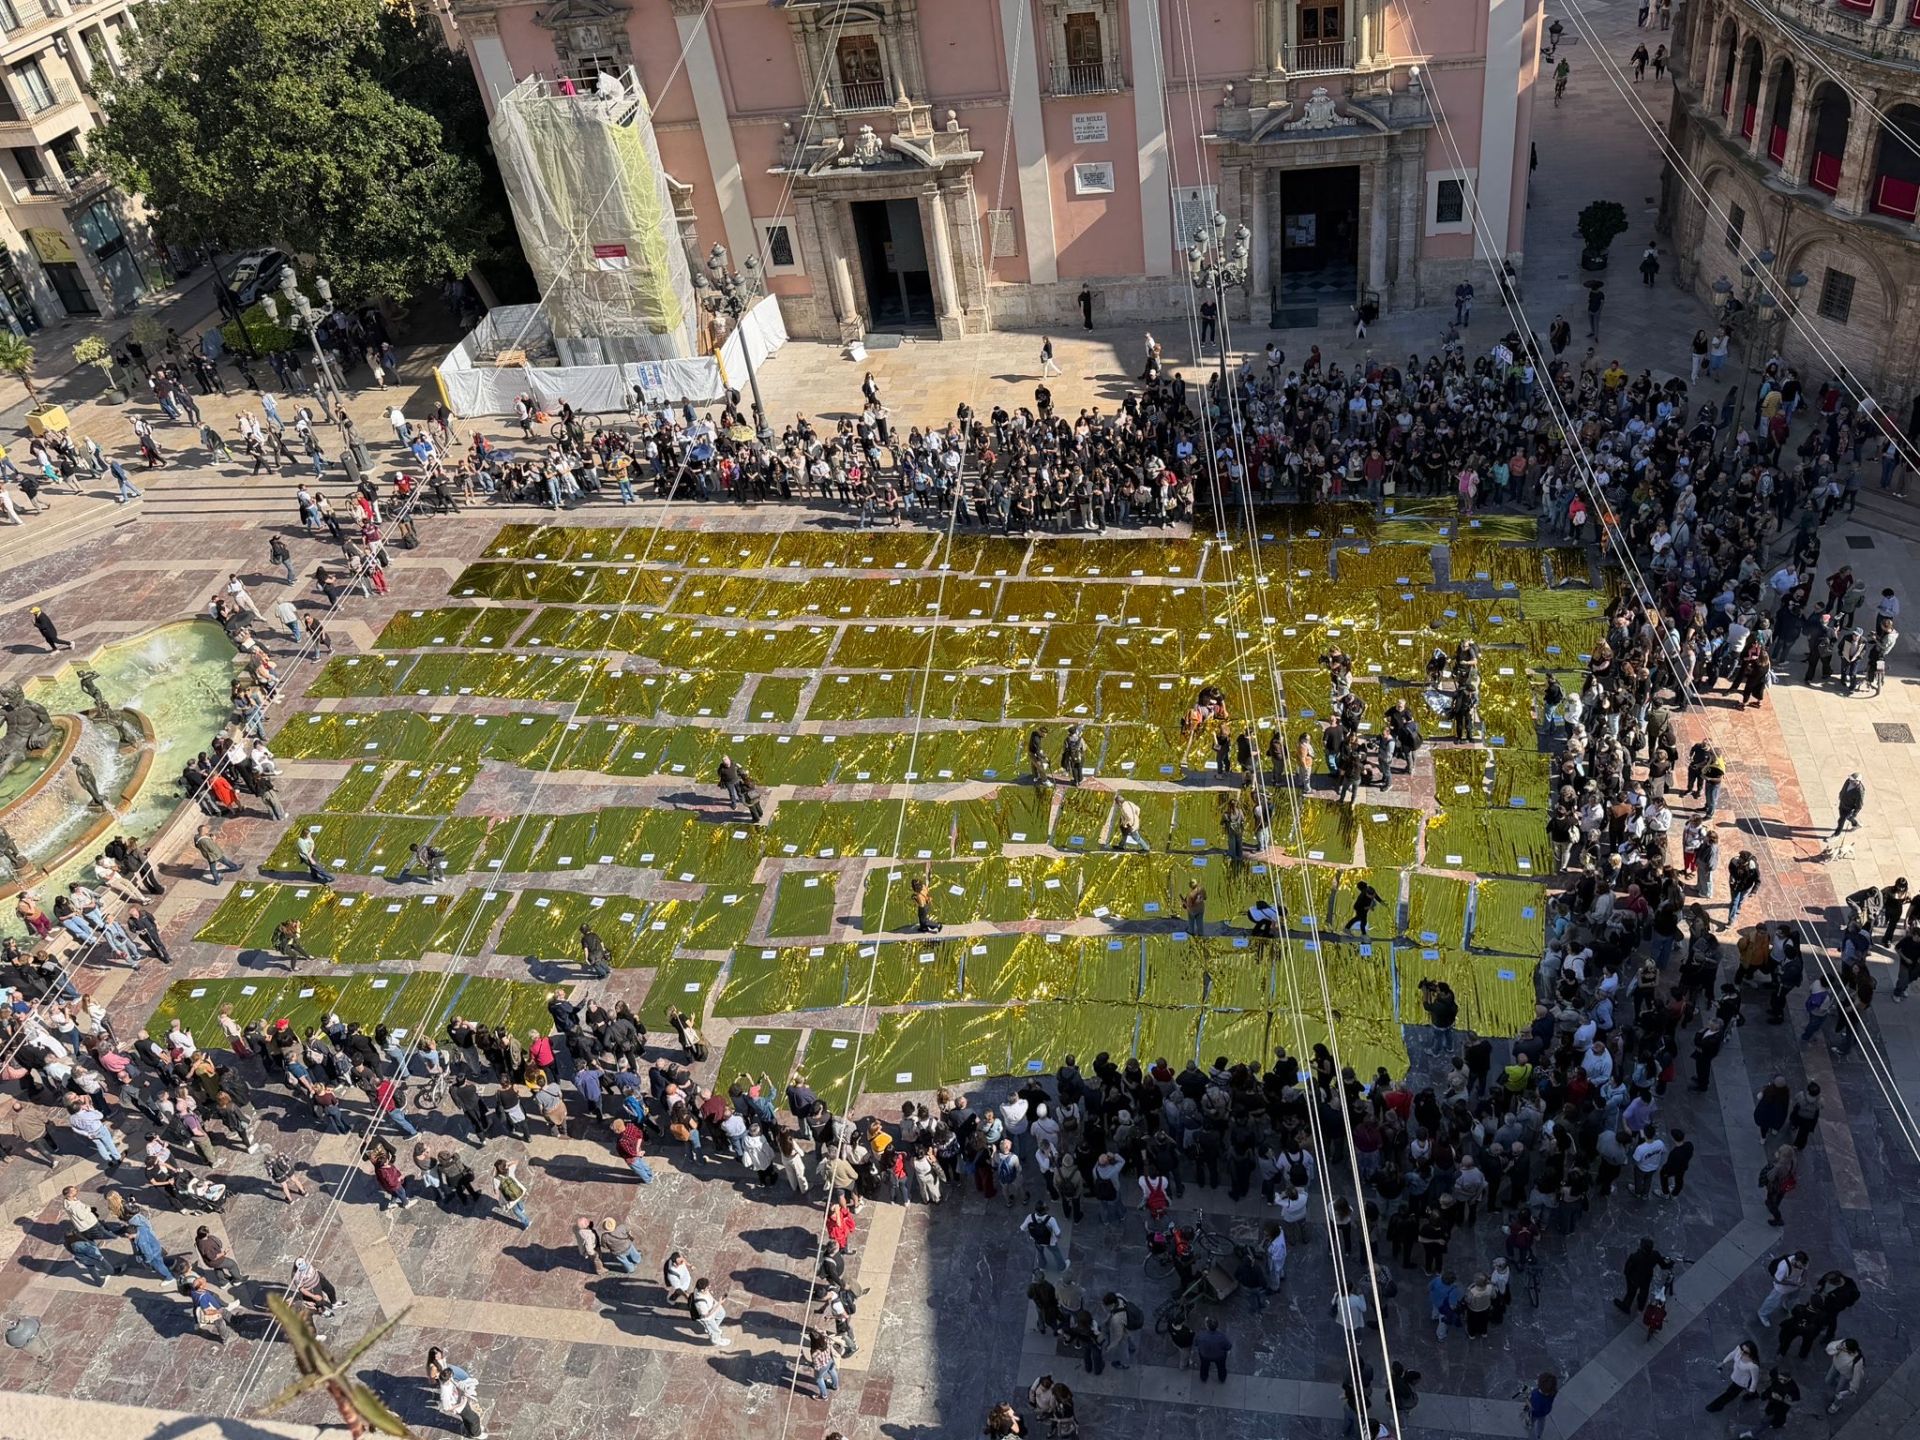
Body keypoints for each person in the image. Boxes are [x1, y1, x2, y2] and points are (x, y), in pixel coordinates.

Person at [428, 1348, 488, 1439]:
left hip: (462, 1399)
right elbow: (446, 1407)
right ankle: (476, 1434)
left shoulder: (448, 1381)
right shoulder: (445, 1391)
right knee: (474, 1418)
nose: (453, 1376)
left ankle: (473, 1429)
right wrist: (460, 1404)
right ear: (447, 1378)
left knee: (467, 1419)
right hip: (460, 1406)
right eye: (451, 1375)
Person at [1193, 1317, 1232, 1382]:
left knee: (1204, 1367)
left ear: (1207, 1326)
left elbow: (1196, 1344)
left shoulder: (1201, 1335)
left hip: (1205, 1356)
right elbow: (1229, 1346)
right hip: (1219, 1357)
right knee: (1221, 1368)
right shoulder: (1222, 1337)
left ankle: (1203, 1378)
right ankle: (1222, 1379)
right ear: (1217, 1326)